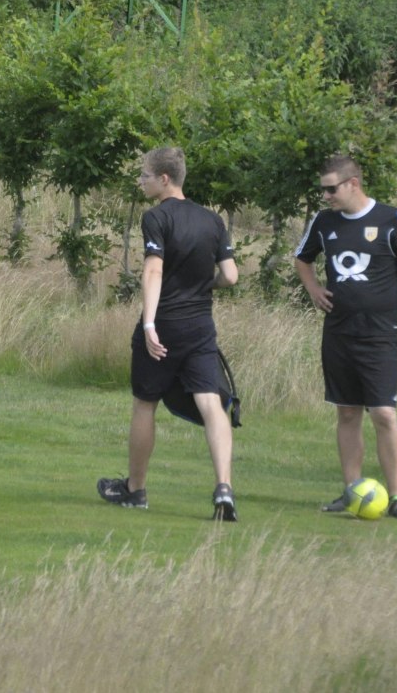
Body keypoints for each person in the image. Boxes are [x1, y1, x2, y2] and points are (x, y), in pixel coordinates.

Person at [97, 146, 240, 520]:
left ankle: (136, 490)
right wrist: (202, 286)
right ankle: (224, 488)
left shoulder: (156, 218)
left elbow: (153, 272)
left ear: (164, 179)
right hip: (200, 328)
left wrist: (149, 324)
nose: (140, 181)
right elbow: (230, 276)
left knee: (146, 403)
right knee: (211, 403)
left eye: (144, 175)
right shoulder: (213, 220)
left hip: (163, 328)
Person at [293, 154, 397, 521]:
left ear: (353, 183)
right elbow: (302, 259)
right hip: (338, 332)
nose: (326, 196)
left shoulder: (392, 219)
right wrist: (314, 289)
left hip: (380, 333)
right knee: (348, 412)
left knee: (383, 413)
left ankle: (396, 497)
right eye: (323, 190)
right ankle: (353, 491)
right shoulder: (324, 222)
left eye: (331, 189)